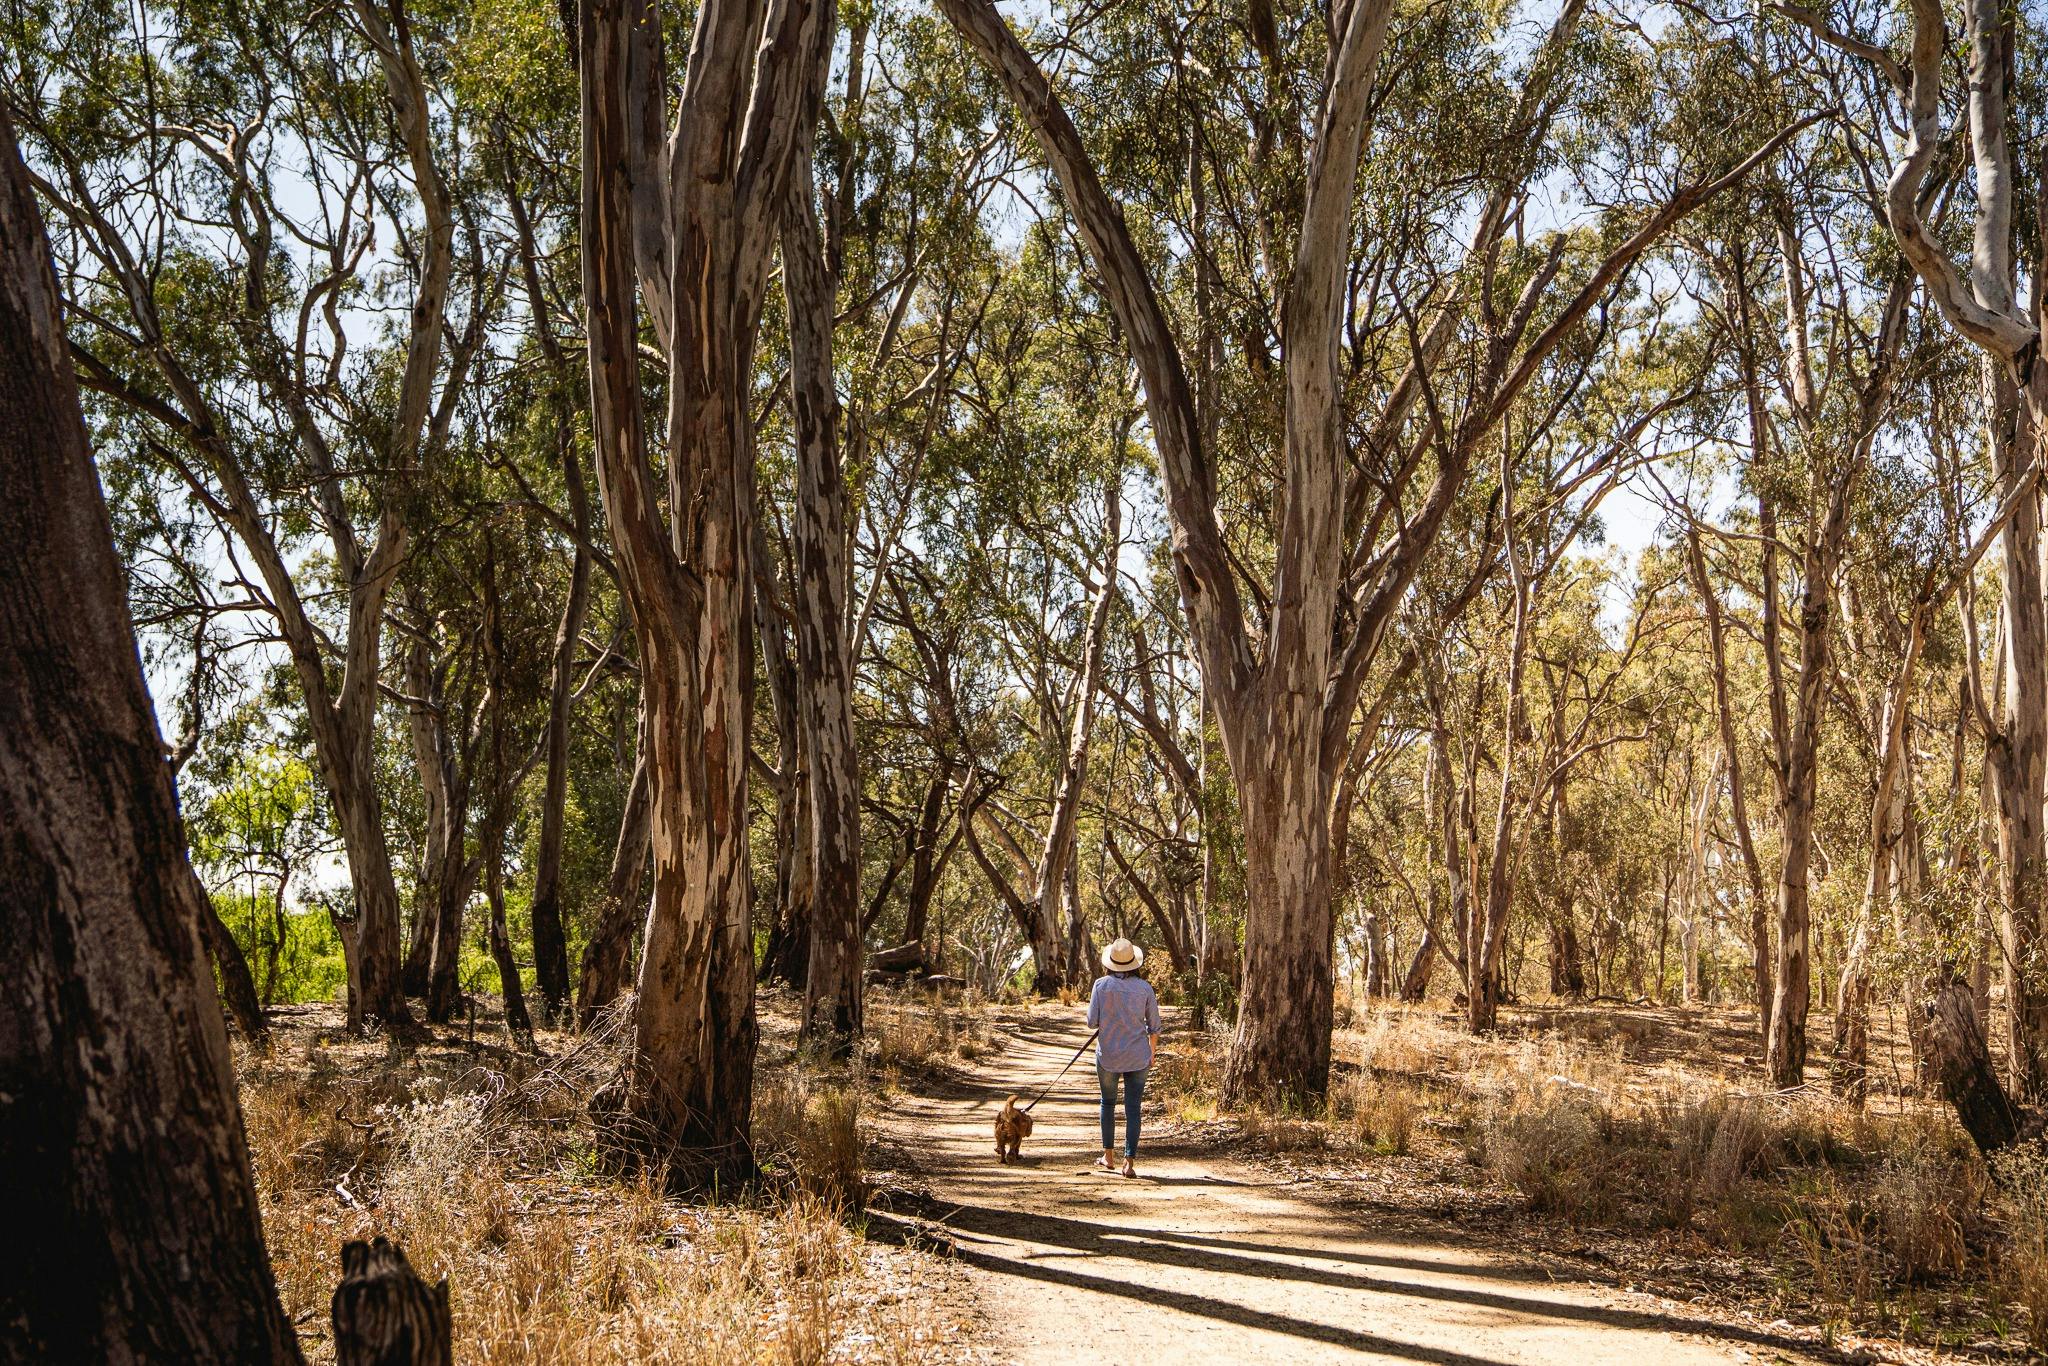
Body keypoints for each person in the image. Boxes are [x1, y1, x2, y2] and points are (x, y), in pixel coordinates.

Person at [1087, 938, 1161, 1178]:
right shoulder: (1145, 988)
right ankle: (1129, 1163)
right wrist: (1152, 1052)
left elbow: (1091, 1022)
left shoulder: (1100, 985)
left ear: (1110, 963)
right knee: (1133, 1108)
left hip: (1108, 1054)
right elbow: (1155, 1026)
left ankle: (1108, 1156)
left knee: (1107, 1103)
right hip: (1138, 1056)